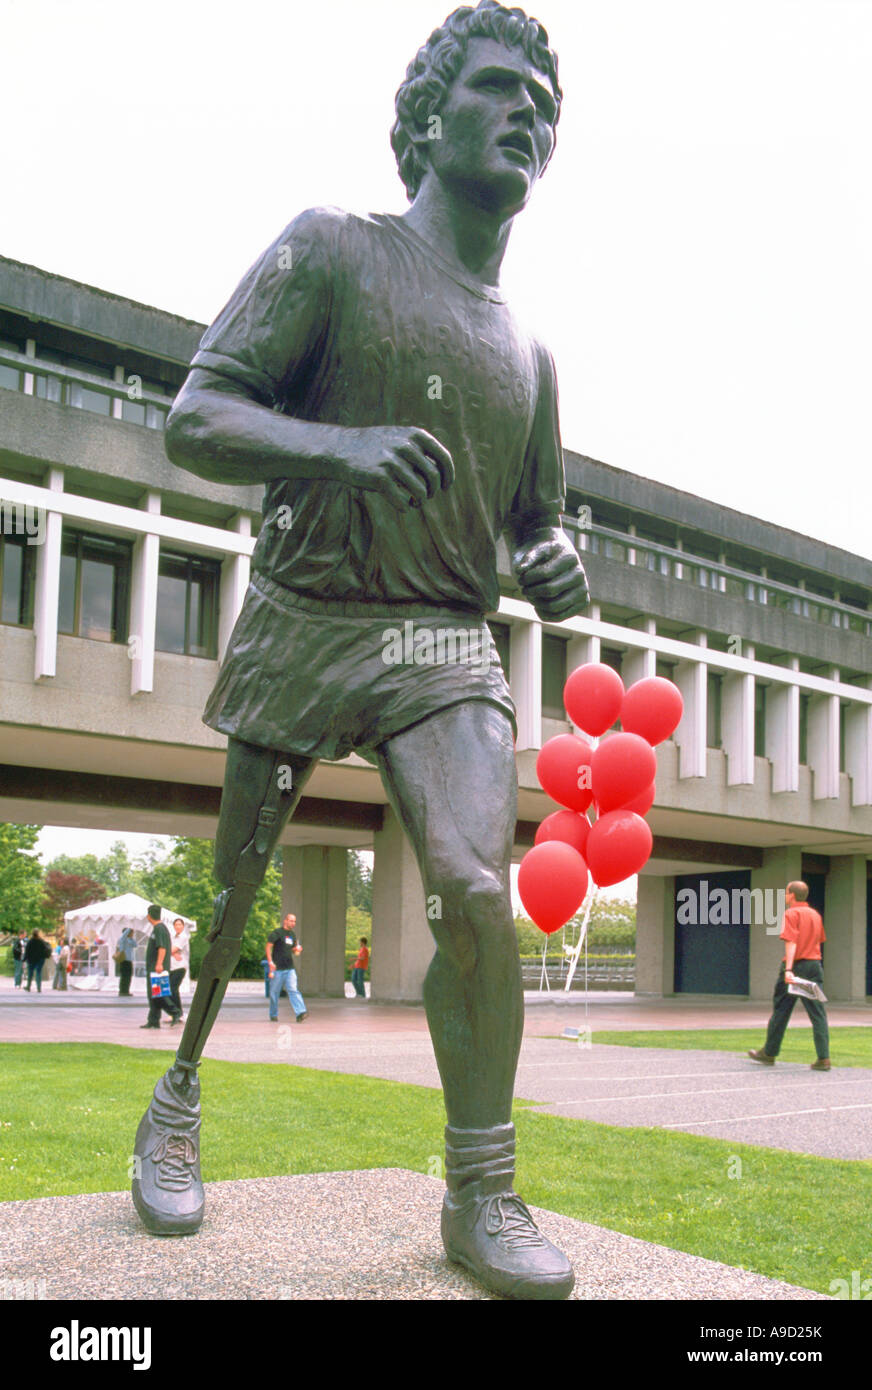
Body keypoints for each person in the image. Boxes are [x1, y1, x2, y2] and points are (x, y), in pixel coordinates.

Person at [132, 0, 588, 1300]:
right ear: (431, 117)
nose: (528, 114)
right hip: (306, 610)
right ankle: (174, 1098)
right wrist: (338, 448)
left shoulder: (529, 354)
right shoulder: (332, 248)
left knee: (475, 888)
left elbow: (536, 523)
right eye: (500, 89)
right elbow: (197, 414)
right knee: (228, 911)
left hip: (443, 642)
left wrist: (552, 562)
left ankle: (482, 1190)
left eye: (544, 106)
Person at [749, 881, 831, 1071]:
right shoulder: (815, 915)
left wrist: (789, 969)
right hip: (814, 966)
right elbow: (819, 941)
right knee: (818, 1014)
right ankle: (824, 1058)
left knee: (782, 1010)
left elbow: (791, 942)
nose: (785, 897)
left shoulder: (791, 914)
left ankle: (769, 1053)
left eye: (786, 893)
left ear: (792, 895)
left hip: (796, 966)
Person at [140, 905, 182, 1030]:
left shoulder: (160, 929)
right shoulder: (158, 928)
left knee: (158, 994)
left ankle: (175, 1012)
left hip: (157, 968)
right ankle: (153, 1021)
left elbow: (162, 947)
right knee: (154, 995)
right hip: (155, 967)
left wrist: (159, 964)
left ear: (149, 915)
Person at [266, 913, 307, 1023]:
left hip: (289, 968)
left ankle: (300, 1012)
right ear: (285, 921)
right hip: (277, 969)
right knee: (274, 994)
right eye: (291, 921)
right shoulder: (277, 933)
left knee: (293, 990)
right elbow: (268, 947)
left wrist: (297, 949)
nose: (293, 923)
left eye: (294, 921)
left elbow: (292, 949)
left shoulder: (292, 935)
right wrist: (270, 962)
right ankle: (273, 1014)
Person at [169, 917, 190, 1020]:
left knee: (173, 988)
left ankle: (178, 1013)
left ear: (183, 926)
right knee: (170, 990)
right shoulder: (173, 937)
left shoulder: (183, 937)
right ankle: (174, 1013)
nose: (178, 926)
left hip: (180, 966)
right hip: (172, 967)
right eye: (176, 924)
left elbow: (172, 949)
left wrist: (172, 952)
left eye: (180, 924)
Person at [117, 925, 136, 996]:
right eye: (131, 933)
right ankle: (122, 991)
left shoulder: (130, 940)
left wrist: (131, 938)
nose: (132, 934)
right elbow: (123, 936)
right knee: (124, 976)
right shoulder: (122, 939)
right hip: (124, 959)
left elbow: (135, 945)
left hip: (129, 960)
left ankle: (126, 990)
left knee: (128, 976)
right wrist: (130, 927)